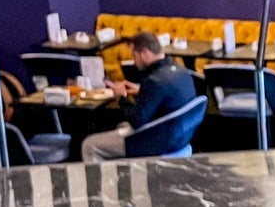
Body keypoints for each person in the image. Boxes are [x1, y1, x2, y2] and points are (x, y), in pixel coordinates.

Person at [81, 33, 197, 163]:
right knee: (121, 126)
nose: (134, 61)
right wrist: (140, 90)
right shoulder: (181, 72)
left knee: (89, 145)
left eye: (134, 56)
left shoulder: (154, 81)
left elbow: (136, 121)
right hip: (180, 137)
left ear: (145, 53)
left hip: (156, 142)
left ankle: (106, 177)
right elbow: (165, 94)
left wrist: (122, 96)